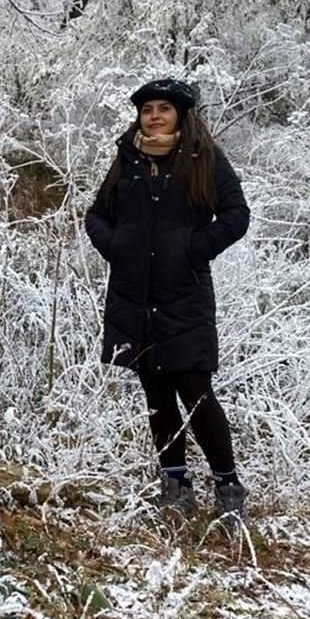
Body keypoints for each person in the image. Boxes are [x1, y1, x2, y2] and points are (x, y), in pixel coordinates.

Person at [85, 78, 250, 522]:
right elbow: (96, 215)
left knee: (196, 391)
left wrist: (196, 249)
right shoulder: (129, 159)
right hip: (134, 295)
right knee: (156, 392)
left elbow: (236, 215)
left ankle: (228, 485)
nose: (154, 116)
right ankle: (174, 483)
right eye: (147, 109)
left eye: (163, 108)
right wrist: (116, 246)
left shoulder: (203, 158)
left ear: (181, 114)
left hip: (185, 294)